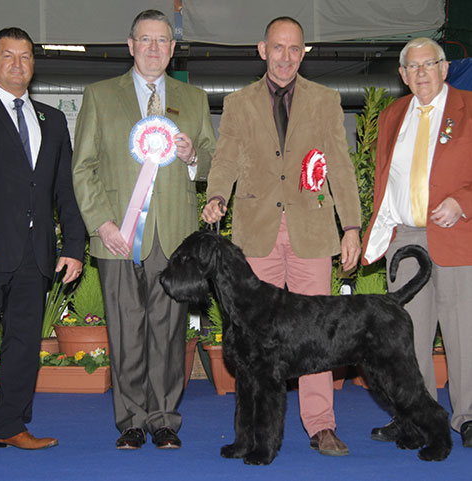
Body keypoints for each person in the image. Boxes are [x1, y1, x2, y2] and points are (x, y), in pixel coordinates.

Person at [202, 16, 361, 456]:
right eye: (278, 48)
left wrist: (351, 226)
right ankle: (251, 430)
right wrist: (216, 195)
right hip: (256, 236)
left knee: (314, 335)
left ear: (303, 53)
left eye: (295, 49)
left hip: (312, 230)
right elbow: (226, 158)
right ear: (262, 49)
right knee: (253, 343)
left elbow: (341, 168)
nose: (286, 57)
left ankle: (321, 425)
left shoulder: (327, 100)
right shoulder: (238, 103)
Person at [72, 10, 216, 451]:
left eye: (163, 41)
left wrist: (194, 157)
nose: (154, 48)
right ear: (130, 45)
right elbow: (84, 167)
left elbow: (213, 159)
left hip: (174, 238)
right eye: (146, 40)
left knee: (170, 332)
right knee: (125, 330)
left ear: (173, 49)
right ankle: (131, 420)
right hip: (117, 237)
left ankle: (164, 419)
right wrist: (101, 222)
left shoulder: (194, 99)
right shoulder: (98, 96)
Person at [0, 27, 86, 459]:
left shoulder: (52, 120)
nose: (18, 64)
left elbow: (64, 189)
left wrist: (73, 245)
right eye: (8, 56)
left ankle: (10, 425)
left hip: (36, 256)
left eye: (26, 57)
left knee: (23, 347)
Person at [362, 37, 472, 448]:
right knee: (405, 338)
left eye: (430, 64)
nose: (422, 72)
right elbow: (384, 181)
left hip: (459, 235)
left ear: (445, 69)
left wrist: (462, 202)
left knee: (464, 333)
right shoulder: (392, 115)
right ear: (403, 75)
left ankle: (468, 415)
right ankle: (414, 415)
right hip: (405, 238)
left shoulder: (469, 108)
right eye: (414, 67)